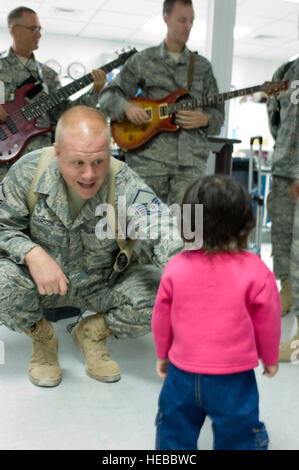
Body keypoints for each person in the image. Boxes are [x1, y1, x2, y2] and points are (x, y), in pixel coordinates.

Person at [0, 105, 182, 388]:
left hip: (102, 284)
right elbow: (3, 226)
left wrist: (194, 277)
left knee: (166, 297)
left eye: (99, 162)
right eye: (78, 163)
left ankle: (93, 332)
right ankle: (43, 338)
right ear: (57, 151)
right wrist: (31, 252)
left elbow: (160, 225)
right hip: (43, 285)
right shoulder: (28, 173)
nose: (89, 175)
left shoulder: (124, 180)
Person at [151, 175, 281, 450]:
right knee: (239, 436)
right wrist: (269, 358)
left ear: (188, 222)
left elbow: (161, 318)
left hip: (181, 374)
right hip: (234, 378)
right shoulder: (257, 270)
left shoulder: (175, 266)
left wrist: (163, 354)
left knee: (174, 433)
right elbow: (268, 322)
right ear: (247, 222)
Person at [99, 0, 224, 205]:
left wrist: (205, 118)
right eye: (182, 20)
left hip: (190, 165)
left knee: (189, 230)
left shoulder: (202, 67)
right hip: (147, 161)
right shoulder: (143, 60)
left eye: (191, 21)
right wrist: (127, 107)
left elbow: (218, 115)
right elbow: (108, 95)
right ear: (166, 19)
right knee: (140, 228)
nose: (188, 26)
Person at [0, 6, 106, 181]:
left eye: (40, 29)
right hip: (4, 165)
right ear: (14, 30)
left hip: (39, 162)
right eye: (33, 29)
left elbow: (67, 113)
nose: (39, 34)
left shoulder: (48, 74)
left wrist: (95, 91)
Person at [266, 57, 299, 361]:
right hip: (284, 165)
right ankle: (286, 289)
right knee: (283, 234)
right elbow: (273, 113)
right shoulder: (285, 70)